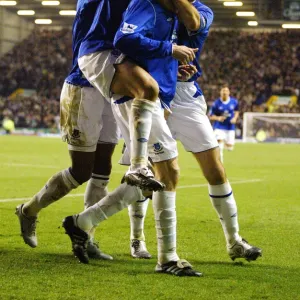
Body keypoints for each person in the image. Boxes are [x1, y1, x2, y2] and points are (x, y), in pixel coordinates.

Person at [62, 0, 203, 277]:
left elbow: (148, 50)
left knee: (159, 177)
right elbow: (125, 39)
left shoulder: (168, 15)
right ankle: (167, 257)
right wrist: (169, 51)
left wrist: (173, 68)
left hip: (142, 96)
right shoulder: (148, 6)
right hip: (130, 92)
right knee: (168, 170)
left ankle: (83, 221)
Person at [128, 0, 262, 263]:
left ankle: (234, 240)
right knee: (148, 174)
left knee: (215, 169)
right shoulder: (148, 7)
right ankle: (137, 238)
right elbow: (132, 41)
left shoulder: (202, 10)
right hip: (151, 91)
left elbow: (193, 23)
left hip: (187, 97)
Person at [15, 0, 119, 260]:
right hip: (84, 86)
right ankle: (29, 209)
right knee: (81, 170)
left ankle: (86, 235)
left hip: (113, 86)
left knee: (103, 167)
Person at [209, 85, 239, 162]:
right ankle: (220, 162)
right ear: (220, 92)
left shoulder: (234, 102)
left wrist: (235, 118)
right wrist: (218, 118)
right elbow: (210, 116)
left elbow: (236, 112)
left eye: (226, 91)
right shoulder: (216, 103)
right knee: (219, 143)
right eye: (223, 91)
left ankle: (226, 143)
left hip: (230, 127)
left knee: (230, 148)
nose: (225, 92)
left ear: (229, 92)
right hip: (219, 127)